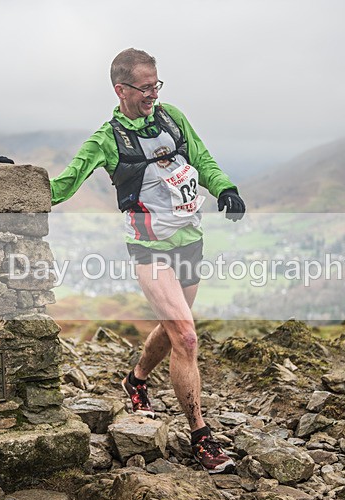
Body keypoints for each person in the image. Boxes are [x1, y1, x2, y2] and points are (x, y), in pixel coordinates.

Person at [50, 48, 246, 474]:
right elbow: (62, 186)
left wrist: (224, 188)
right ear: (120, 89)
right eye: (144, 88)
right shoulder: (106, 141)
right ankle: (201, 437)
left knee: (174, 327)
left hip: (190, 241)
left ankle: (136, 379)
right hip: (149, 250)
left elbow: (202, 158)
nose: (153, 94)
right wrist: (20, 181)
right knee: (187, 337)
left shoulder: (171, 116)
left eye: (157, 85)